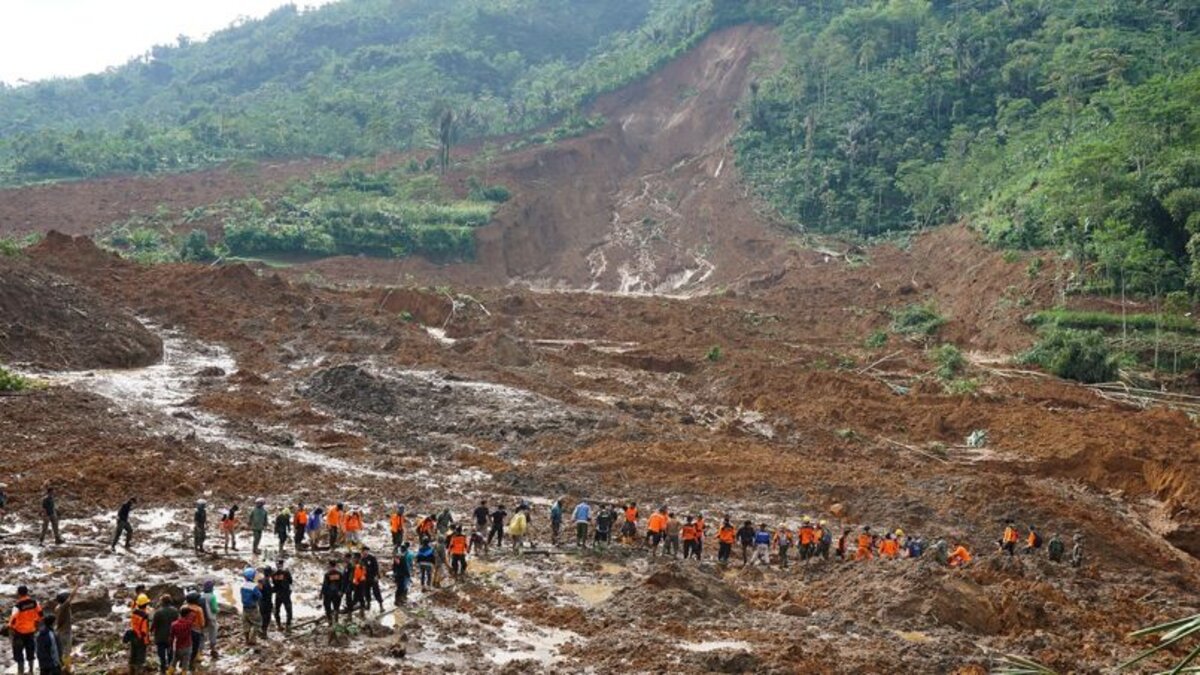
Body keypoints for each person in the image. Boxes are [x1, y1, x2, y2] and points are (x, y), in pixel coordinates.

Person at [9, 586, 42, 675]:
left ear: (18, 593)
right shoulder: (34, 603)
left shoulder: (17, 605)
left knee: (19, 653)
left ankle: (21, 672)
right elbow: (40, 614)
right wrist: (36, 622)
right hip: (31, 631)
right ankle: (31, 671)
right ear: (27, 592)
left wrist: (11, 628)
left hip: (19, 633)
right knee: (30, 651)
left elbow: (12, 620)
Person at [47, 589, 76, 675]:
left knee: (60, 651)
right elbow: (71, 597)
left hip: (59, 631)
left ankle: (61, 667)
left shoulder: (58, 607)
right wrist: (77, 586)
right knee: (67, 652)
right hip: (66, 632)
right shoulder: (64, 607)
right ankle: (67, 669)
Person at [149, 596, 179, 675]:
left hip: (160, 636)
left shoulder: (158, 612)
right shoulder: (175, 611)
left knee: (161, 652)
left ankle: (163, 665)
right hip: (171, 636)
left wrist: (150, 631)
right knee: (170, 651)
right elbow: (178, 622)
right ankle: (169, 665)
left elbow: (154, 624)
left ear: (162, 602)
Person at [182, 593, 206, 672]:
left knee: (185, 646)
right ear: (195, 600)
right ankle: (191, 662)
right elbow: (202, 622)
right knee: (195, 647)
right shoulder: (199, 609)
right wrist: (202, 628)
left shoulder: (183, 607)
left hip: (185, 630)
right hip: (196, 630)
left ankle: (183, 661)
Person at [128, 594, 151, 673]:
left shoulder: (134, 612)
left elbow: (132, 605)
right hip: (140, 638)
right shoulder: (144, 616)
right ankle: (139, 671)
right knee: (140, 656)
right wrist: (147, 640)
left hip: (133, 635)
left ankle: (131, 670)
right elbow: (144, 630)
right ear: (146, 604)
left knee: (133, 653)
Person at [239, 568, 262, 646]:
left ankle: (246, 640)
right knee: (257, 623)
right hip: (252, 608)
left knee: (246, 624)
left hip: (244, 607)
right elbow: (259, 596)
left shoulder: (242, 586)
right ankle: (252, 640)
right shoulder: (253, 586)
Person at [270, 561, 293, 632]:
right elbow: (291, 581)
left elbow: (274, 583)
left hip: (278, 594)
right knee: (289, 611)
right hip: (285, 594)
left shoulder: (274, 574)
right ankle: (288, 626)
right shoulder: (286, 573)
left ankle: (279, 625)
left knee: (277, 610)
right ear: (282, 565)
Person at [199, 581, 220, 660]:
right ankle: (213, 649)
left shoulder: (201, 596)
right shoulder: (212, 597)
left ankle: (199, 652)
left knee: (202, 635)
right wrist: (218, 609)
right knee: (213, 633)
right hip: (211, 618)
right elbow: (214, 609)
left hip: (202, 618)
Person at [169, 608, 194, 674]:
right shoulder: (189, 623)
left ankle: (169, 672)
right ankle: (184, 673)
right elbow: (192, 617)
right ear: (187, 615)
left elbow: (171, 637)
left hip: (178, 645)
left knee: (174, 661)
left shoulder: (174, 624)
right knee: (185, 662)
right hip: (188, 645)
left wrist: (171, 646)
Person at [319, 561, 343, 625]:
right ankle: (336, 621)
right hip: (337, 593)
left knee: (327, 608)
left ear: (329, 565)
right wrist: (341, 591)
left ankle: (330, 622)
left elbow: (325, 585)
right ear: (335, 565)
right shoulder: (340, 573)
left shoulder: (327, 574)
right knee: (336, 608)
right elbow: (342, 584)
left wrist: (321, 593)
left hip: (328, 594)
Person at [257, 567, 274, 636]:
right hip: (266, 603)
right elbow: (266, 592)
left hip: (262, 602)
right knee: (266, 618)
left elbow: (259, 591)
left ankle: (261, 631)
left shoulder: (261, 581)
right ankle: (263, 632)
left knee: (263, 617)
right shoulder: (265, 582)